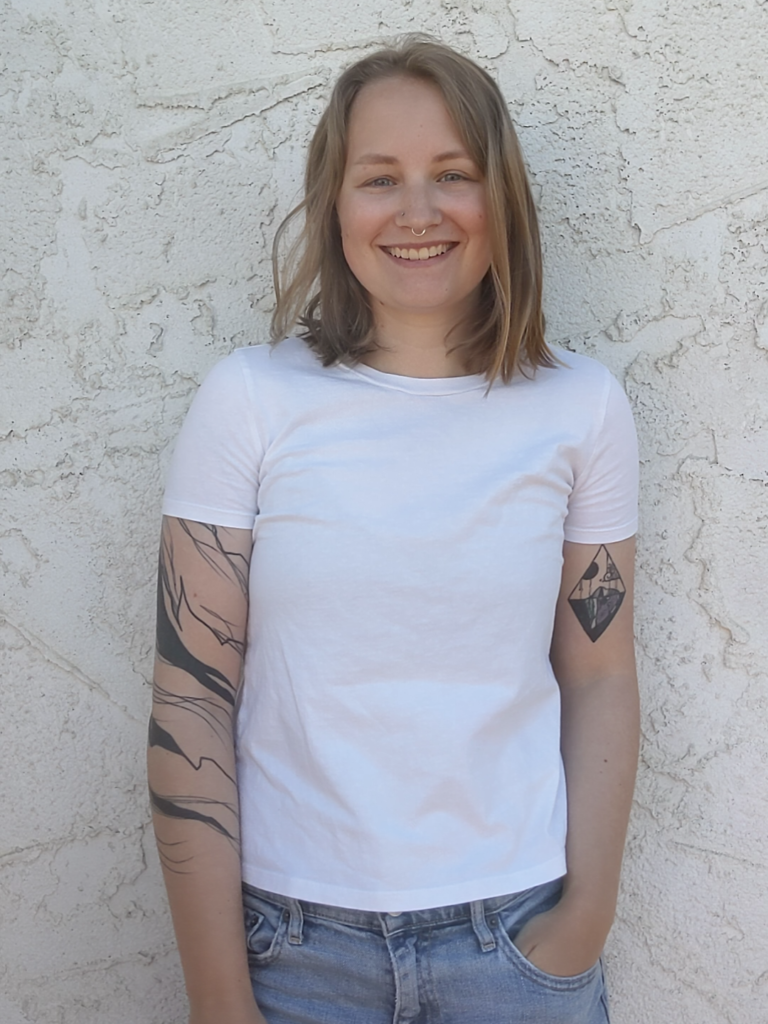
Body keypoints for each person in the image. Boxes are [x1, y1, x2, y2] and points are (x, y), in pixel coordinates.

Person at [148, 37, 639, 1024]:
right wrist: (218, 999)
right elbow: (191, 701)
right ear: (338, 203)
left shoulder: (581, 408)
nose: (417, 211)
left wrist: (585, 912)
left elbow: (600, 674)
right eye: (381, 178)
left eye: (452, 175)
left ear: (501, 199)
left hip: (515, 944)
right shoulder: (250, 400)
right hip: (291, 951)